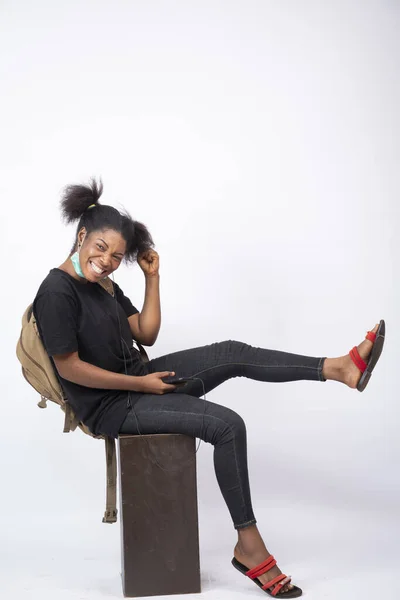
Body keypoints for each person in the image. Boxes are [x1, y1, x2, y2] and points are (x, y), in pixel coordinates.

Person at [33, 178, 385, 598]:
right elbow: (71, 369)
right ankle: (249, 548)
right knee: (227, 425)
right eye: (101, 248)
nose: (106, 261)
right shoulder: (55, 292)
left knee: (231, 351)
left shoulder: (105, 284)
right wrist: (140, 385)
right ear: (81, 236)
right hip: (112, 406)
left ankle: (340, 368)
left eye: (117, 256)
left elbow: (145, 334)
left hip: (138, 384)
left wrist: (152, 277)